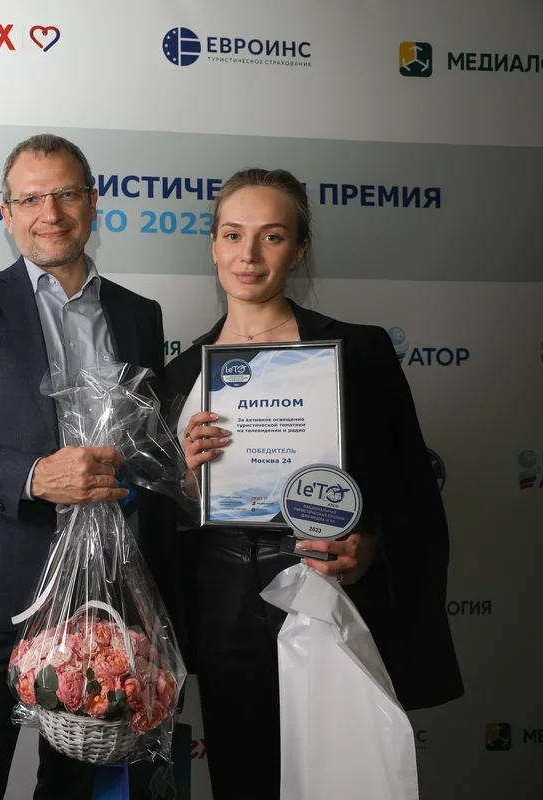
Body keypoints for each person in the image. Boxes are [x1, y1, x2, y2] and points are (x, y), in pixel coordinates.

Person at [0, 134, 185, 799]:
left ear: (92, 201)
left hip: (105, 593)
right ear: (7, 214)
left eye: (64, 194)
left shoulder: (139, 315)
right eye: (30, 199)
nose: (49, 213)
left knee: (76, 786)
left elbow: (146, 442)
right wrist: (35, 476)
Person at [167, 167, 464, 799]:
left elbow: (412, 494)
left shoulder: (359, 352)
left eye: (272, 236)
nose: (248, 255)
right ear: (214, 245)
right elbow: (169, 519)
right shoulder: (182, 373)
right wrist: (185, 479)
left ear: (299, 250)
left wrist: (371, 546)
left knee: (341, 778)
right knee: (243, 779)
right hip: (223, 610)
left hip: (329, 591)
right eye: (232, 234)